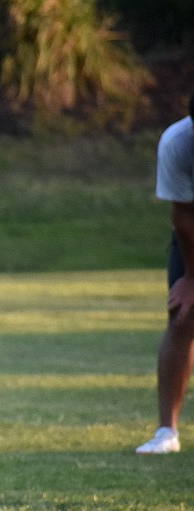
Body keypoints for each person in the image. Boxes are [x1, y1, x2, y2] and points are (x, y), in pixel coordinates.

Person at [135, 93, 194, 455]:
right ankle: (167, 431)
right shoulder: (179, 142)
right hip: (192, 237)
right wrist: (190, 278)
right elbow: (184, 215)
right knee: (183, 316)